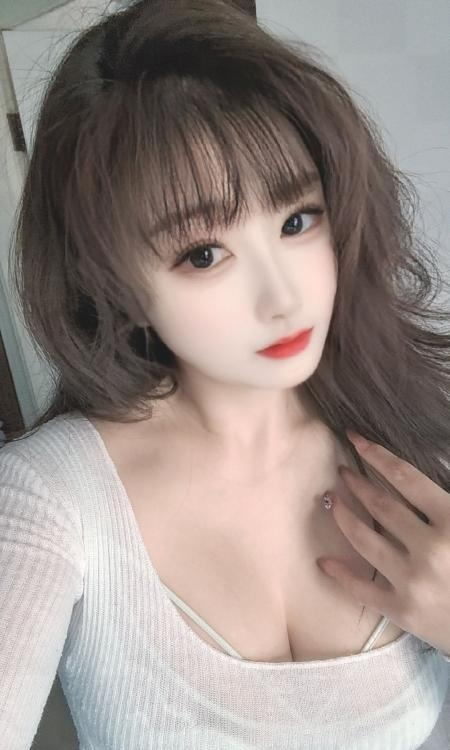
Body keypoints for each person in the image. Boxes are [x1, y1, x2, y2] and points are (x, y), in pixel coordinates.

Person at [1, 0, 449, 747]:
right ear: (112, 283)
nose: (282, 298)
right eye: (203, 255)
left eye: (297, 220)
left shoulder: (419, 436)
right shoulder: (50, 500)